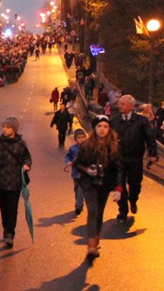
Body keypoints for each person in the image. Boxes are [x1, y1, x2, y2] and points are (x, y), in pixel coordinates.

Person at [74, 115, 123, 262]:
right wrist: (87, 170)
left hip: (105, 184)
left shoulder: (114, 147)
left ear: (109, 129)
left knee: (99, 212)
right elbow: (78, 163)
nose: (102, 129)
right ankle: (91, 245)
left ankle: (96, 240)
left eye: (105, 127)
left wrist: (118, 187)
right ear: (95, 129)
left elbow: (119, 168)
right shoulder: (87, 145)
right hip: (89, 184)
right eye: (99, 127)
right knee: (93, 210)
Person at [0, 117, 32, 248]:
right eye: (4, 127)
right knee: (3, 207)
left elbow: (27, 157)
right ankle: (6, 227)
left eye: (8, 127)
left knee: (12, 208)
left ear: (14, 129)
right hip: (1, 182)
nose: (5, 129)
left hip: (15, 182)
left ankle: (10, 233)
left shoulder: (21, 144)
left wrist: (27, 165)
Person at [109, 95, 158, 221]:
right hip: (119, 159)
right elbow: (108, 139)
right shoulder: (114, 121)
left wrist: (153, 154)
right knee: (119, 185)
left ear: (131, 106)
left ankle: (133, 199)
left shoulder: (141, 121)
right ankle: (123, 211)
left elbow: (150, 138)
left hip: (135, 158)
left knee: (135, 184)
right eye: (119, 104)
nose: (120, 106)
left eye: (123, 104)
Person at [64, 128, 88, 216]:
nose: (81, 139)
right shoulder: (72, 148)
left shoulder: (88, 148)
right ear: (75, 139)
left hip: (85, 173)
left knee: (81, 189)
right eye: (79, 137)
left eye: (83, 137)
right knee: (77, 189)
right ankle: (79, 201)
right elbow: (67, 157)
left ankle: (79, 206)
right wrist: (68, 162)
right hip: (75, 173)